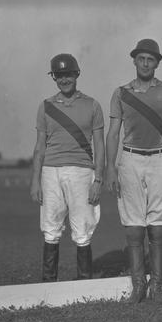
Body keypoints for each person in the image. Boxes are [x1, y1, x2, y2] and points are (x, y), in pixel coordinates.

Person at [106, 38, 162, 304]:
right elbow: (113, 133)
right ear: (134, 60)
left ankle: (157, 287)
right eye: (141, 58)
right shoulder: (121, 93)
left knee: (158, 228)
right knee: (133, 227)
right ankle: (138, 286)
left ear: (157, 62)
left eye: (150, 59)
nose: (145, 63)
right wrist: (110, 167)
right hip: (130, 159)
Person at [30, 53, 105, 282]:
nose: (64, 80)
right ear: (54, 77)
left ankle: (84, 284)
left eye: (68, 74)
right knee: (50, 228)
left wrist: (98, 180)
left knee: (83, 229)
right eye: (59, 75)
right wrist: (35, 180)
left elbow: (100, 145)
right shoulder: (45, 106)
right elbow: (40, 147)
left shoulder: (92, 105)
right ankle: (48, 284)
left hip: (82, 171)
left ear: (76, 74)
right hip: (50, 171)